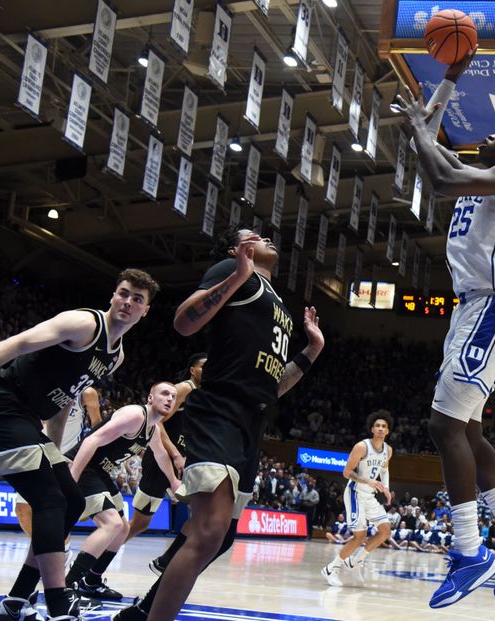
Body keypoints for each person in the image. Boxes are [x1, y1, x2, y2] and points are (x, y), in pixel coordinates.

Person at [398, 49, 495, 607]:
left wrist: (420, 129)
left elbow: (437, 176)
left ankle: (469, 551)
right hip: (474, 310)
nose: (489, 133)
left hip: (490, 306)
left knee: (442, 428)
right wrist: (449, 81)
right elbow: (432, 148)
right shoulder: (483, 174)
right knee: (467, 433)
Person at [115, 225, 323, 621]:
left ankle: (144, 610)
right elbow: (183, 323)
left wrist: (311, 351)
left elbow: (271, 385)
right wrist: (237, 274)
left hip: (252, 421)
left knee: (222, 536)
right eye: (253, 235)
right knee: (209, 530)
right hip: (220, 413)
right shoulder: (231, 269)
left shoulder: (277, 301)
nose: (265, 237)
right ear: (236, 248)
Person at [0, 268, 159, 621]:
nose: (128, 302)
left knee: (72, 501)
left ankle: (17, 598)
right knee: (50, 499)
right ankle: (57, 605)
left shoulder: (116, 356)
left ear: (145, 311)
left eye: (137, 299)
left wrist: (53, 451)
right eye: (124, 293)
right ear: (113, 296)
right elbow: (21, 341)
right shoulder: (84, 324)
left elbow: (65, 399)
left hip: (27, 421)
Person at [65, 382, 180, 600]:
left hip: (99, 471)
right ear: (150, 398)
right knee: (112, 524)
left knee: (123, 529)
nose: (170, 399)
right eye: (165, 394)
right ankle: (68, 584)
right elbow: (92, 439)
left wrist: (174, 481)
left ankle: (91, 581)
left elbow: (161, 455)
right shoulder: (135, 415)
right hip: (83, 465)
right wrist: (72, 478)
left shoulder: (152, 429)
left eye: (174, 397)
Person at [129, 353, 207, 562]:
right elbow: (157, 423)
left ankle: (166, 561)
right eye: (202, 366)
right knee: (139, 524)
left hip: (181, 463)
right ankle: (93, 564)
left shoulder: (203, 394)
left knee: (204, 515)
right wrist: (174, 454)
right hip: (160, 459)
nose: (207, 370)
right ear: (192, 369)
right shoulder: (183, 389)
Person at [15, 387, 102, 540]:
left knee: (56, 514)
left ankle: (59, 553)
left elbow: (98, 427)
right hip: (38, 453)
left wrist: (86, 457)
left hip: (65, 458)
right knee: (22, 509)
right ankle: (46, 551)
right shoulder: (44, 385)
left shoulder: (87, 393)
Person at [321, 412, 394, 586]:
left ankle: (355, 561)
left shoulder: (388, 450)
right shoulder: (362, 447)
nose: (380, 429)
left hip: (369, 495)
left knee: (385, 531)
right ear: (372, 429)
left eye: (384, 426)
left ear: (388, 431)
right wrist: (367, 480)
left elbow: (385, 469)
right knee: (359, 536)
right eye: (377, 426)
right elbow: (346, 472)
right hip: (355, 493)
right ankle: (331, 568)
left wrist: (386, 488)